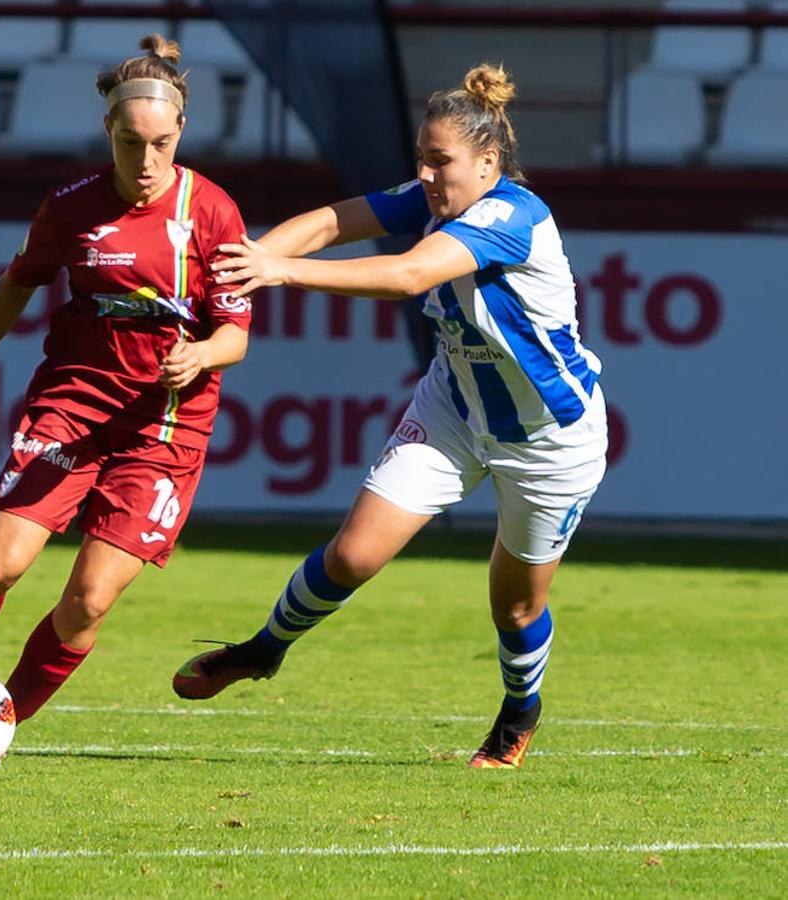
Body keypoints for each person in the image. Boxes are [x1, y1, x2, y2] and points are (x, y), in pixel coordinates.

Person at [171, 63, 607, 769]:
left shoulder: (510, 216)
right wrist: (245, 258)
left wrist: (280, 274)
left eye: (443, 162)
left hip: (549, 439)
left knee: (516, 608)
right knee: (353, 553)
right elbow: (330, 221)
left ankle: (519, 711)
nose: (429, 176)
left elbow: (406, 275)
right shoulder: (434, 200)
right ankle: (263, 649)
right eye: (422, 160)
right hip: (456, 408)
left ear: (489, 162)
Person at [0, 34, 253, 744]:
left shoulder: (212, 212)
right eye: (131, 143)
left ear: (181, 133)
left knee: (87, 601)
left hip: (165, 430)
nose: (147, 162)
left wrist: (200, 354)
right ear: (108, 130)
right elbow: (14, 287)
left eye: (162, 144)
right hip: (73, 405)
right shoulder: (72, 207)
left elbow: (236, 334)